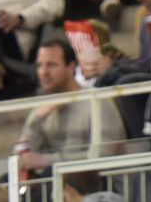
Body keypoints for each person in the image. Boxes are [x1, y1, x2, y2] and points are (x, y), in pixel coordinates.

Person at [16, 41, 126, 175]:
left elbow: (103, 155)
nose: (43, 72)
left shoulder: (98, 102)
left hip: (96, 185)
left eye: (51, 65)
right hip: (57, 184)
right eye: (39, 65)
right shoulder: (42, 109)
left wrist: (47, 161)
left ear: (71, 67)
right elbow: (20, 156)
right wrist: (37, 119)